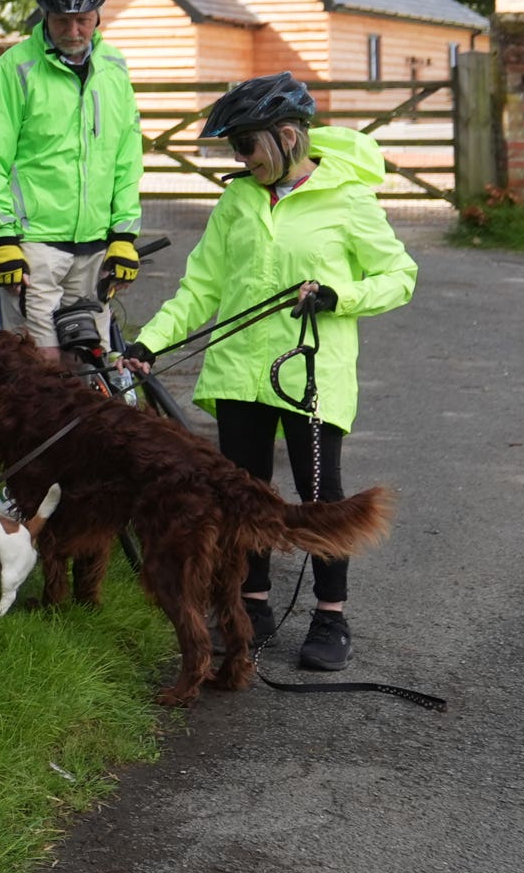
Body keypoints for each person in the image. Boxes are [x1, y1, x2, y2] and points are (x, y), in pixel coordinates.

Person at [123, 73, 415, 672]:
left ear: (286, 136)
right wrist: (149, 342)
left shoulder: (348, 198)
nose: (238, 159)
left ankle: (330, 616)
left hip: (309, 374)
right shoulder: (237, 201)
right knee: (241, 498)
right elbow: (201, 287)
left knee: (319, 497)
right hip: (239, 376)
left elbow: (399, 277)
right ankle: (249, 607)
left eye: (245, 145)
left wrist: (339, 294)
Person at [0, 0, 144, 347]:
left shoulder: (114, 68)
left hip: (96, 250)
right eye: (62, 19)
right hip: (34, 252)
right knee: (41, 373)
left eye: (83, 18)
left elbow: (127, 159)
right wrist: (4, 241)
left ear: (98, 15)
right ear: (44, 16)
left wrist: (124, 234)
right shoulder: (15, 69)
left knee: (92, 366)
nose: (73, 29)